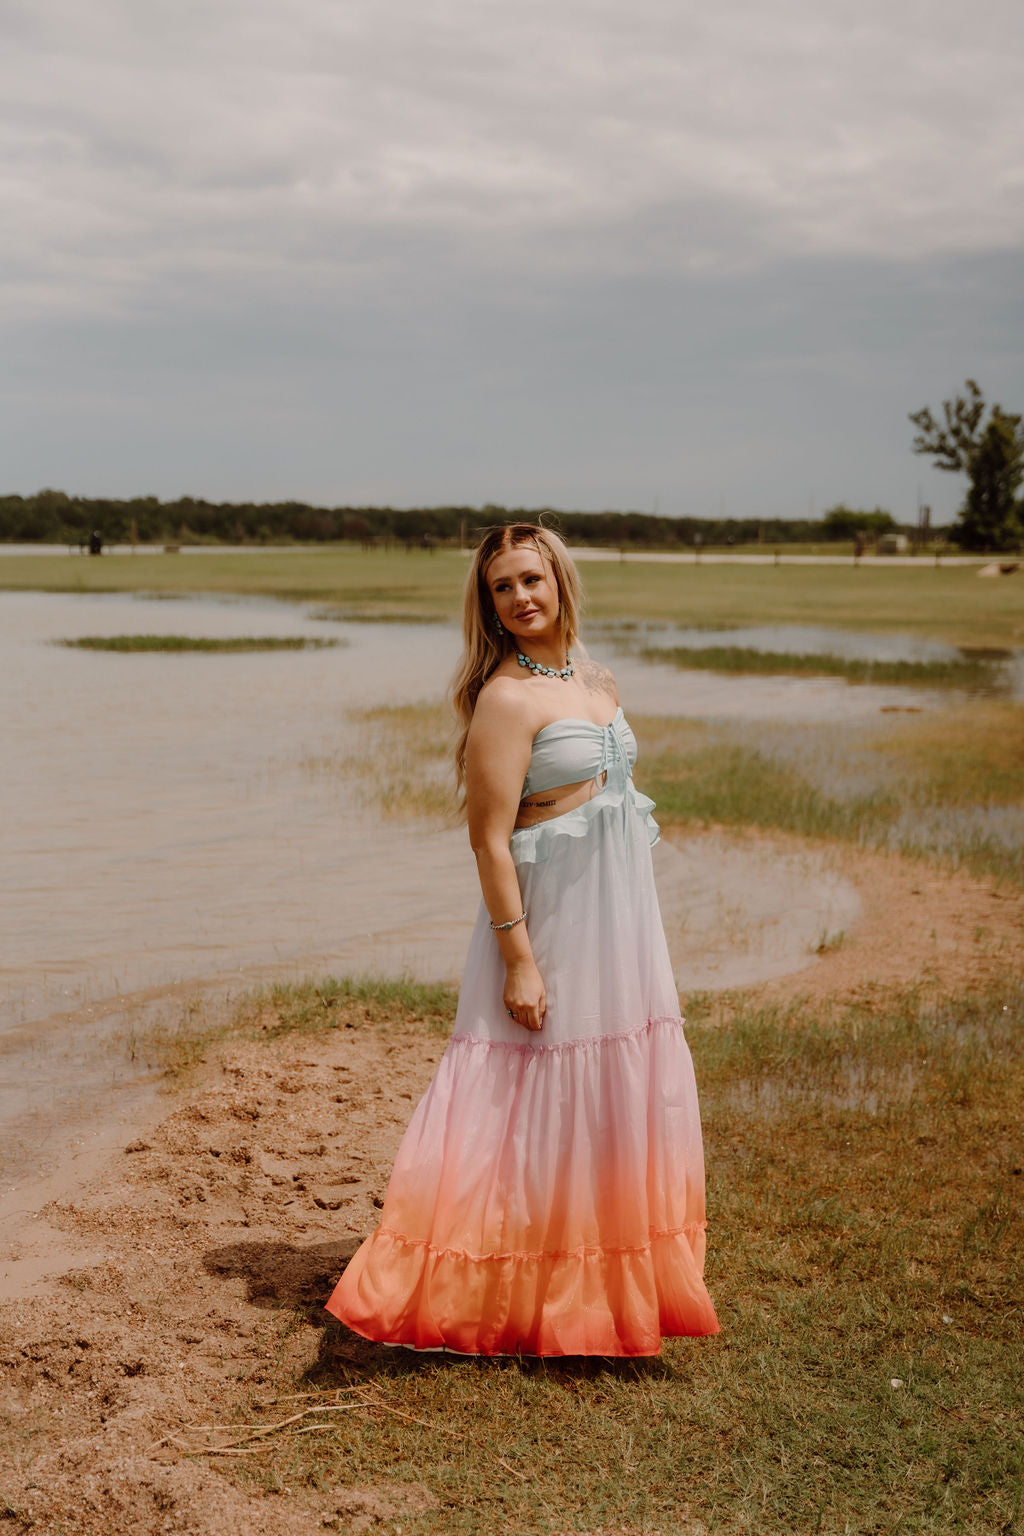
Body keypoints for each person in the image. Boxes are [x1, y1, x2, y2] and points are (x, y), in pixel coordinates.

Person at [325, 523, 719, 1355]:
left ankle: (596, 1285)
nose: (520, 598)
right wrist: (520, 961)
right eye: (502, 588)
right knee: (531, 1091)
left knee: (610, 1088)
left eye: (532, 579)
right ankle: (493, 1288)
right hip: (551, 920)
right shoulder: (505, 699)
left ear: (561, 581)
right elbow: (489, 841)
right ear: (489, 604)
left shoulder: (596, 676)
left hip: (618, 918)